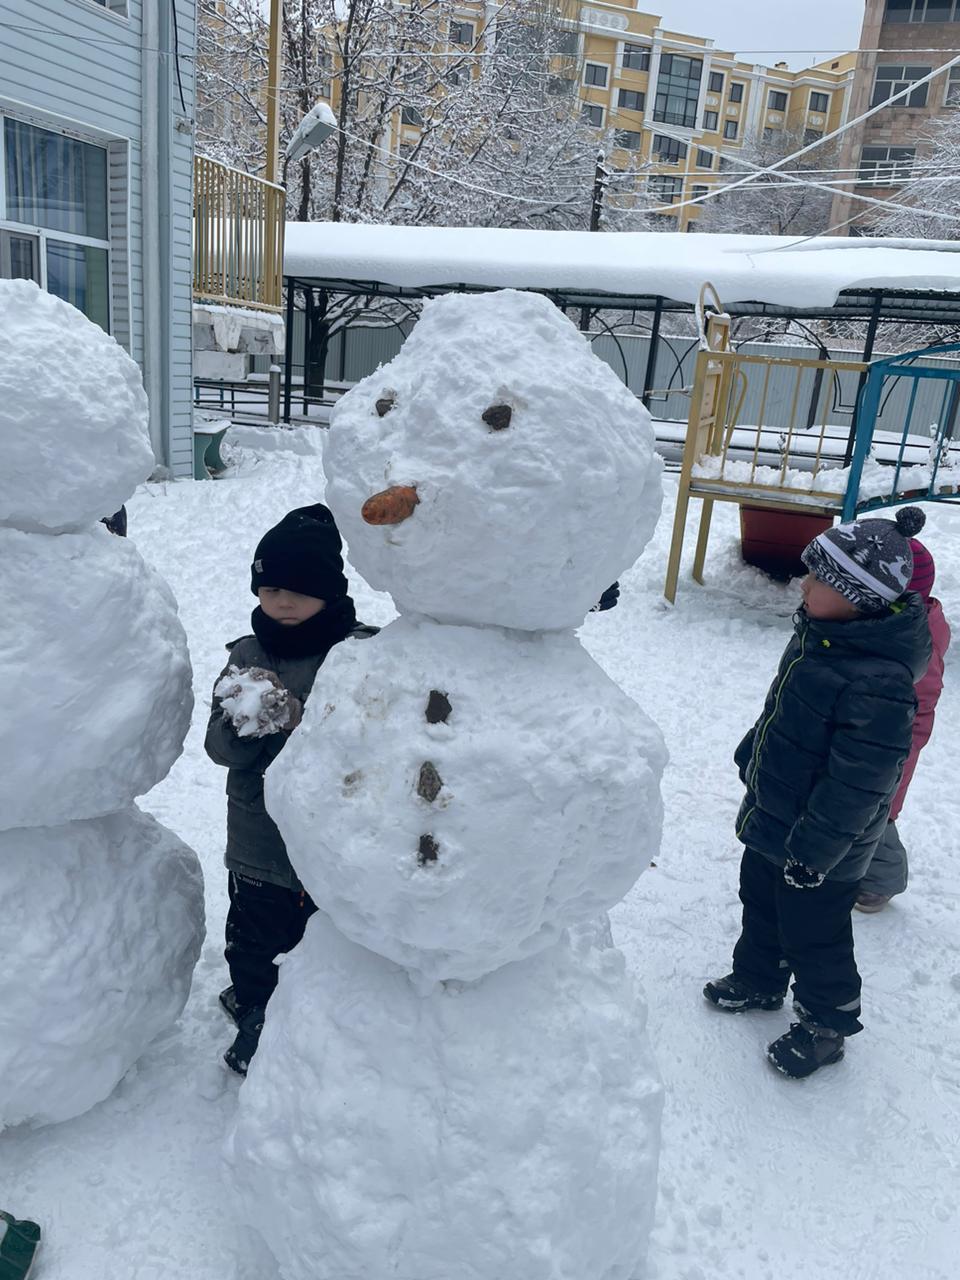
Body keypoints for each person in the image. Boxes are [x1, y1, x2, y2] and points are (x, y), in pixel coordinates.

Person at [704, 507, 931, 1079]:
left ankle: (827, 1024)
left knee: (815, 933)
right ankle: (758, 979)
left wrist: (816, 852)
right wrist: (753, 752)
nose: (803, 584)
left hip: (825, 847)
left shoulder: (878, 681)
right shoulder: (821, 635)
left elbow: (860, 783)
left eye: (819, 578)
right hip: (777, 815)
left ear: (860, 597)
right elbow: (787, 713)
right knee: (760, 900)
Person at [205, 503, 376, 1075]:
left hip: (328, 840)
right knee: (252, 941)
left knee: (322, 943)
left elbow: (369, 739)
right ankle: (253, 1010)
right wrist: (243, 725)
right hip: (256, 839)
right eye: (270, 586)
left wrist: (302, 716)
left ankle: (311, 1027)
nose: (281, 601)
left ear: (330, 592)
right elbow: (219, 751)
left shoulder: (358, 655)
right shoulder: (246, 656)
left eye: (298, 589)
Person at [856, 529, 951, 912]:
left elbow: (921, 703)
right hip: (871, 736)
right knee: (860, 807)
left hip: (892, 743)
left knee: (875, 812)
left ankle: (882, 879)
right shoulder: (903, 625)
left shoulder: (917, 642)